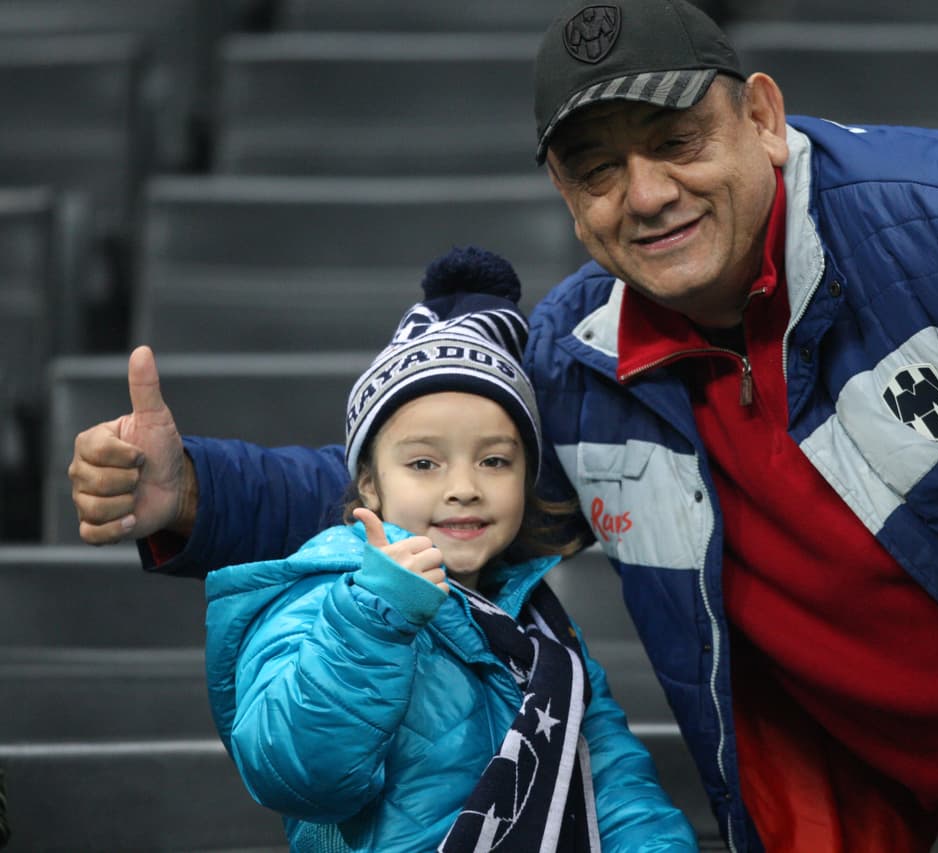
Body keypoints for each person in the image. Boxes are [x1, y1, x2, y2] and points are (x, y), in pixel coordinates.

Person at [67, 0, 938, 850]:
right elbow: (440, 477)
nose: (644, 194)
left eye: (676, 141)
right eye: (597, 168)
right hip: (932, 820)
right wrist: (194, 496)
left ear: (759, 114)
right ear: (562, 193)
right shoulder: (581, 357)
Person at [202, 246, 697, 852]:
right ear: (370, 485)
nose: (463, 488)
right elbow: (300, 777)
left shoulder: (541, 626)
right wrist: (373, 623)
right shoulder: (330, 595)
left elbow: (612, 786)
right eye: (423, 463)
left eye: (494, 460)